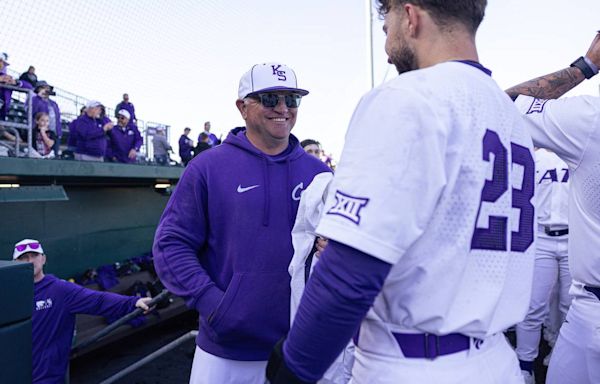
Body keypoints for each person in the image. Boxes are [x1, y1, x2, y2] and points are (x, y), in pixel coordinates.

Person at [266, 2, 536, 384]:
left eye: (387, 19)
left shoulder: (408, 96)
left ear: (410, 17)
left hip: (410, 364)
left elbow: (349, 272)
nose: (386, 35)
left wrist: (293, 368)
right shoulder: (508, 113)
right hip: (495, 360)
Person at [153, 62, 330, 384]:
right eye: (269, 99)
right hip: (226, 349)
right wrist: (215, 306)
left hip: (301, 348)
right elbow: (171, 244)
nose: (282, 109)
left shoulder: (319, 173)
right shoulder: (208, 166)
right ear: (242, 107)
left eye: (291, 100)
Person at [504, 31, 600, 384]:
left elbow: (505, 104)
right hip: (556, 252)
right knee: (536, 310)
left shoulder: (591, 120)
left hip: (593, 310)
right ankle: (528, 366)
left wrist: (587, 65)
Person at [12, 238, 152, 384]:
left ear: (43, 258)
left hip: (45, 378)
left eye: (34, 255)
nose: (30, 261)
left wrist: (133, 302)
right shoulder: (10, 293)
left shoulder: (60, 290)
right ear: (15, 263)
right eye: (23, 258)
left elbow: (99, 300)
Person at [515, 149, 570, 384]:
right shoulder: (533, 156)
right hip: (540, 237)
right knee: (533, 306)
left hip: (575, 238)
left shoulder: (576, 151)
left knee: (572, 307)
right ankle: (525, 367)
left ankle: (563, 358)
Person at [31, 81, 62, 155]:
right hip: (39, 131)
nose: (47, 90)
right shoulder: (34, 100)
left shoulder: (53, 103)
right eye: (44, 88)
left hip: (54, 133)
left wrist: (59, 132)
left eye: (48, 88)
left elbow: (57, 118)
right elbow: (32, 111)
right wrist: (39, 96)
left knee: (54, 154)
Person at [0, 52, 32, 122]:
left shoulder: (7, 78)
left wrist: (16, 82)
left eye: (3, 63)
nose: (2, 65)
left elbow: (29, 87)